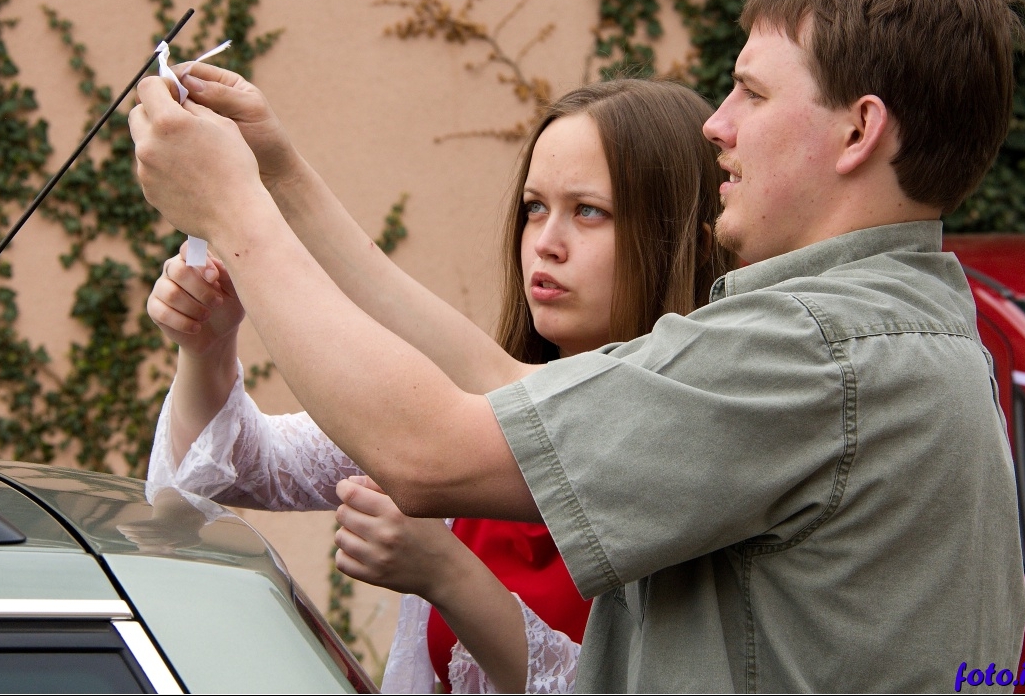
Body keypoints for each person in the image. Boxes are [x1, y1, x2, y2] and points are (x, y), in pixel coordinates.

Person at [130, 0, 1025, 692]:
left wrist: (234, 212)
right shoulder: (907, 331)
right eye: (535, 207)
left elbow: (427, 451)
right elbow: (505, 385)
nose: (717, 124)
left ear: (859, 130)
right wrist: (281, 177)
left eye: (752, 93)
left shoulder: (813, 349)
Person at [144, 80, 728, 693]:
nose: (546, 244)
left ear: (684, 241)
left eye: (589, 211)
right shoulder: (467, 410)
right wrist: (206, 350)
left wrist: (449, 575)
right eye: (534, 207)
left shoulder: (697, 441)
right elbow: (240, 469)